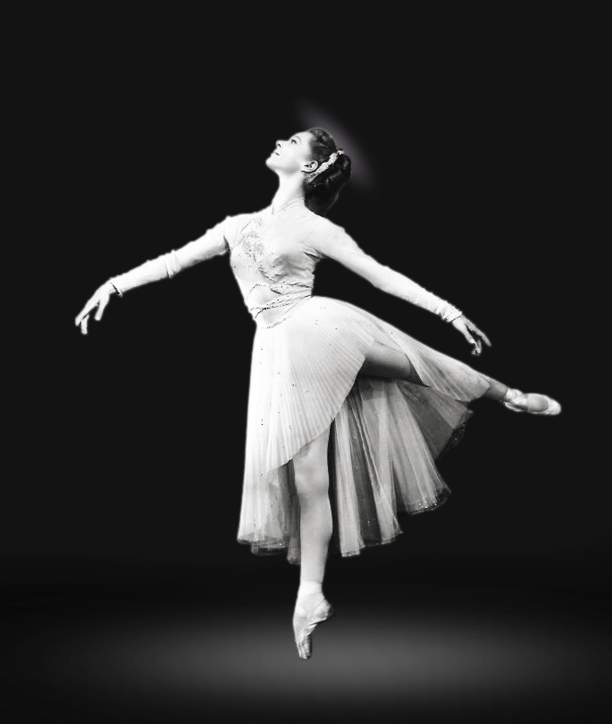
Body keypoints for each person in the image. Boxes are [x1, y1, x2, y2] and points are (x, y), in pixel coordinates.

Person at [75, 127, 561, 661]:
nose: (280, 142)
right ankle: (310, 596)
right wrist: (113, 284)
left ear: (310, 166)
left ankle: (510, 395)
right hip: (278, 350)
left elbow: (380, 276)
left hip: (315, 328)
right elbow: (174, 261)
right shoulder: (237, 226)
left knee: (415, 365)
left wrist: (449, 311)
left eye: (293, 141)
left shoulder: (316, 228)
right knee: (310, 482)